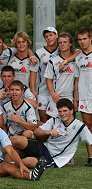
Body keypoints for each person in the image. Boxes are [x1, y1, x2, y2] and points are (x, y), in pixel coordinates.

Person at [11, 98, 92, 168]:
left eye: (65, 111)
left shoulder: (80, 126)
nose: (62, 114)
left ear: (71, 111)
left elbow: (90, 141)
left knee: (27, 162)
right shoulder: (54, 120)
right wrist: (48, 132)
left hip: (54, 158)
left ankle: (12, 162)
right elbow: (36, 132)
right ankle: (4, 157)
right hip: (44, 147)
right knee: (15, 139)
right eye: (60, 111)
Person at [44, 33, 79, 118]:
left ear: (70, 44)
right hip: (56, 98)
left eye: (65, 42)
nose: (62, 44)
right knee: (53, 127)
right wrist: (53, 93)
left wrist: (75, 99)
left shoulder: (77, 61)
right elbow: (49, 79)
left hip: (69, 98)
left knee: (69, 127)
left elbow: (76, 82)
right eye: (60, 42)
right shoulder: (53, 61)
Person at [30, 27, 59, 123]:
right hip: (43, 91)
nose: (49, 38)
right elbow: (34, 72)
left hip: (58, 91)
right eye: (46, 36)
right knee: (43, 120)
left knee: (56, 119)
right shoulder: (39, 52)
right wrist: (33, 90)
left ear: (56, 35)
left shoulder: (62, 49)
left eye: (51, 35)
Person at [75, 27, 92, 166]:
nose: (82, 42)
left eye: (84, 38)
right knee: (88, 127)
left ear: (90, 38)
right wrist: (76, 98)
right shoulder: (78, 57)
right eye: (79, 39)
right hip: (84, 97)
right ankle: (90, 157)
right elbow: (76, 79)